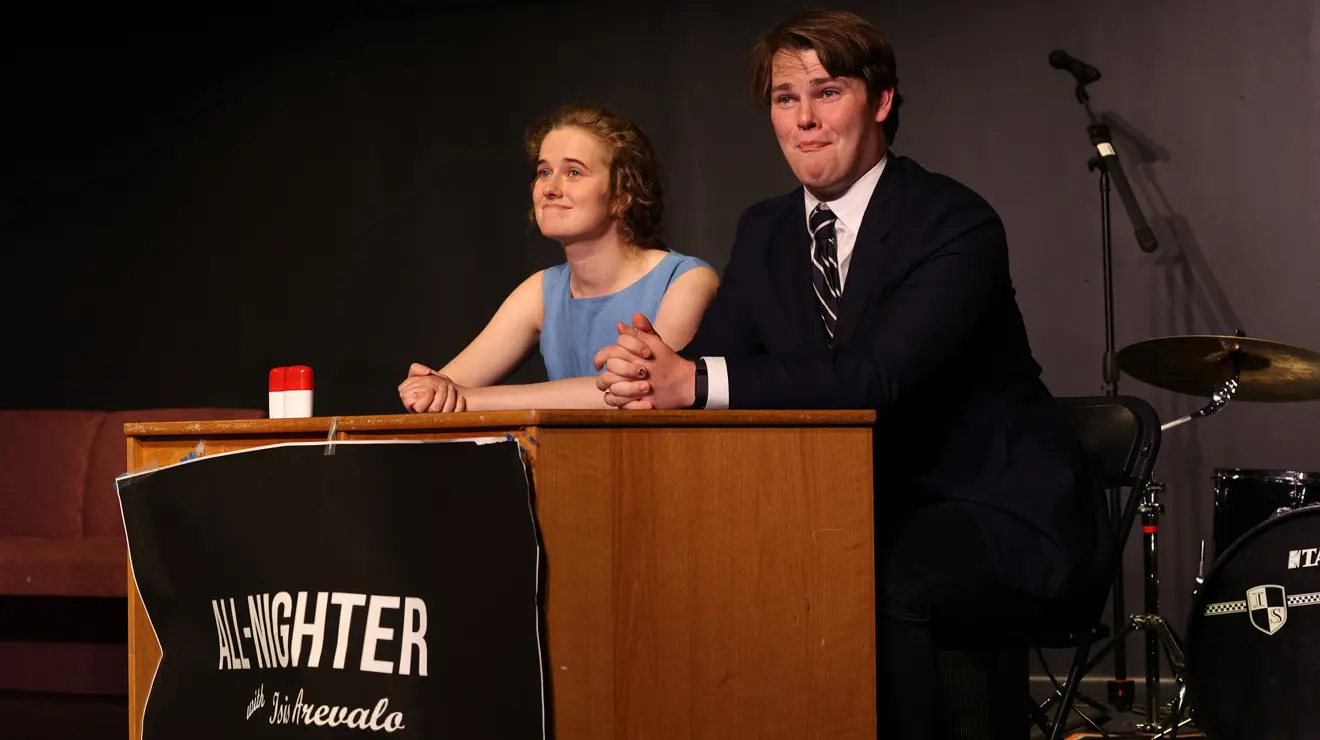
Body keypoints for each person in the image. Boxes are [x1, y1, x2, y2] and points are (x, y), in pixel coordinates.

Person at [593, 10, 1115, 739]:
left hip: (1006, 517)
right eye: (784, 98)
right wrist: (651, 373)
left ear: (881, 100)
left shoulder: (955, 222)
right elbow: (717, 365)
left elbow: (875, 376)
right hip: (856, 509)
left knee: (869, 573)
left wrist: (693, 380)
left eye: (827, 91)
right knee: (741, 564)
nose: (804, 118)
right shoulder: (766, 230)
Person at [398, 105, 718, 413]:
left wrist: (470, 400)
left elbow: (638, 391)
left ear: (622, 194)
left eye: (574, 172)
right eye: (544, 172)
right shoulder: (542, 289)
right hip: (568, 467)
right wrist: (429, 388)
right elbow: (448, 387)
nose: (550, 188)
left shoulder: (687, 280)